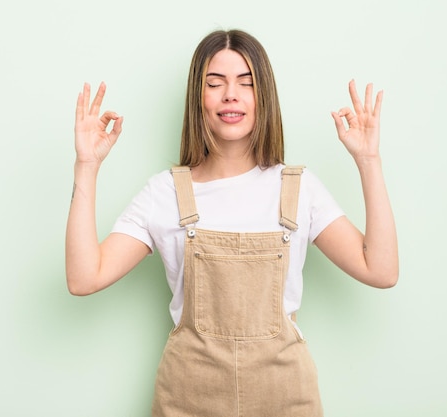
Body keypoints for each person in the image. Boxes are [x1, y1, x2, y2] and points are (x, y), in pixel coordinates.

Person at [66, 29, 398, 417]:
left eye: (247, 82)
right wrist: (86, 166)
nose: (231, 95)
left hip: (285, 395)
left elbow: (382, 270)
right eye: (214, 83)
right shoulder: (165, 192)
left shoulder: (299, 188)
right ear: (198, 99)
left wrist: (368, 160)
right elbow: (84, 278)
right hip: (188, 396)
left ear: (264, 97)